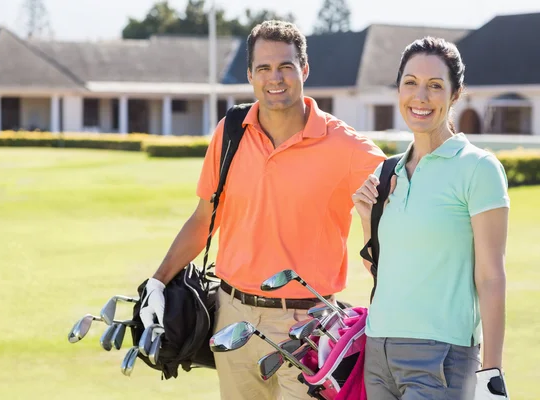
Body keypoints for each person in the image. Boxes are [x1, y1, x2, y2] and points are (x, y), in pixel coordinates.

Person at [139, 20, 386, 400]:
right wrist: (158, 280)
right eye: (264, 68)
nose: (276, 78)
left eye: (286, 66)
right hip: (231, 314)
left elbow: (404, 189)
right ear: (251, 74)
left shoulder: (347, 147)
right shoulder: (231, 131)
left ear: (304, 69)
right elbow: (205, 218)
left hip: (308, 327)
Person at [352, 36, 509, 399]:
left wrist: (492, 375)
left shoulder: (478, 168)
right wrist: (367, 220)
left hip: (442, 356)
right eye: (411, 83)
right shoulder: (387, 170)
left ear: (456, 94)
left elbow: (491, 276)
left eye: (435, 86)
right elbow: (386, 272)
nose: (420, 97)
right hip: (378, 352)